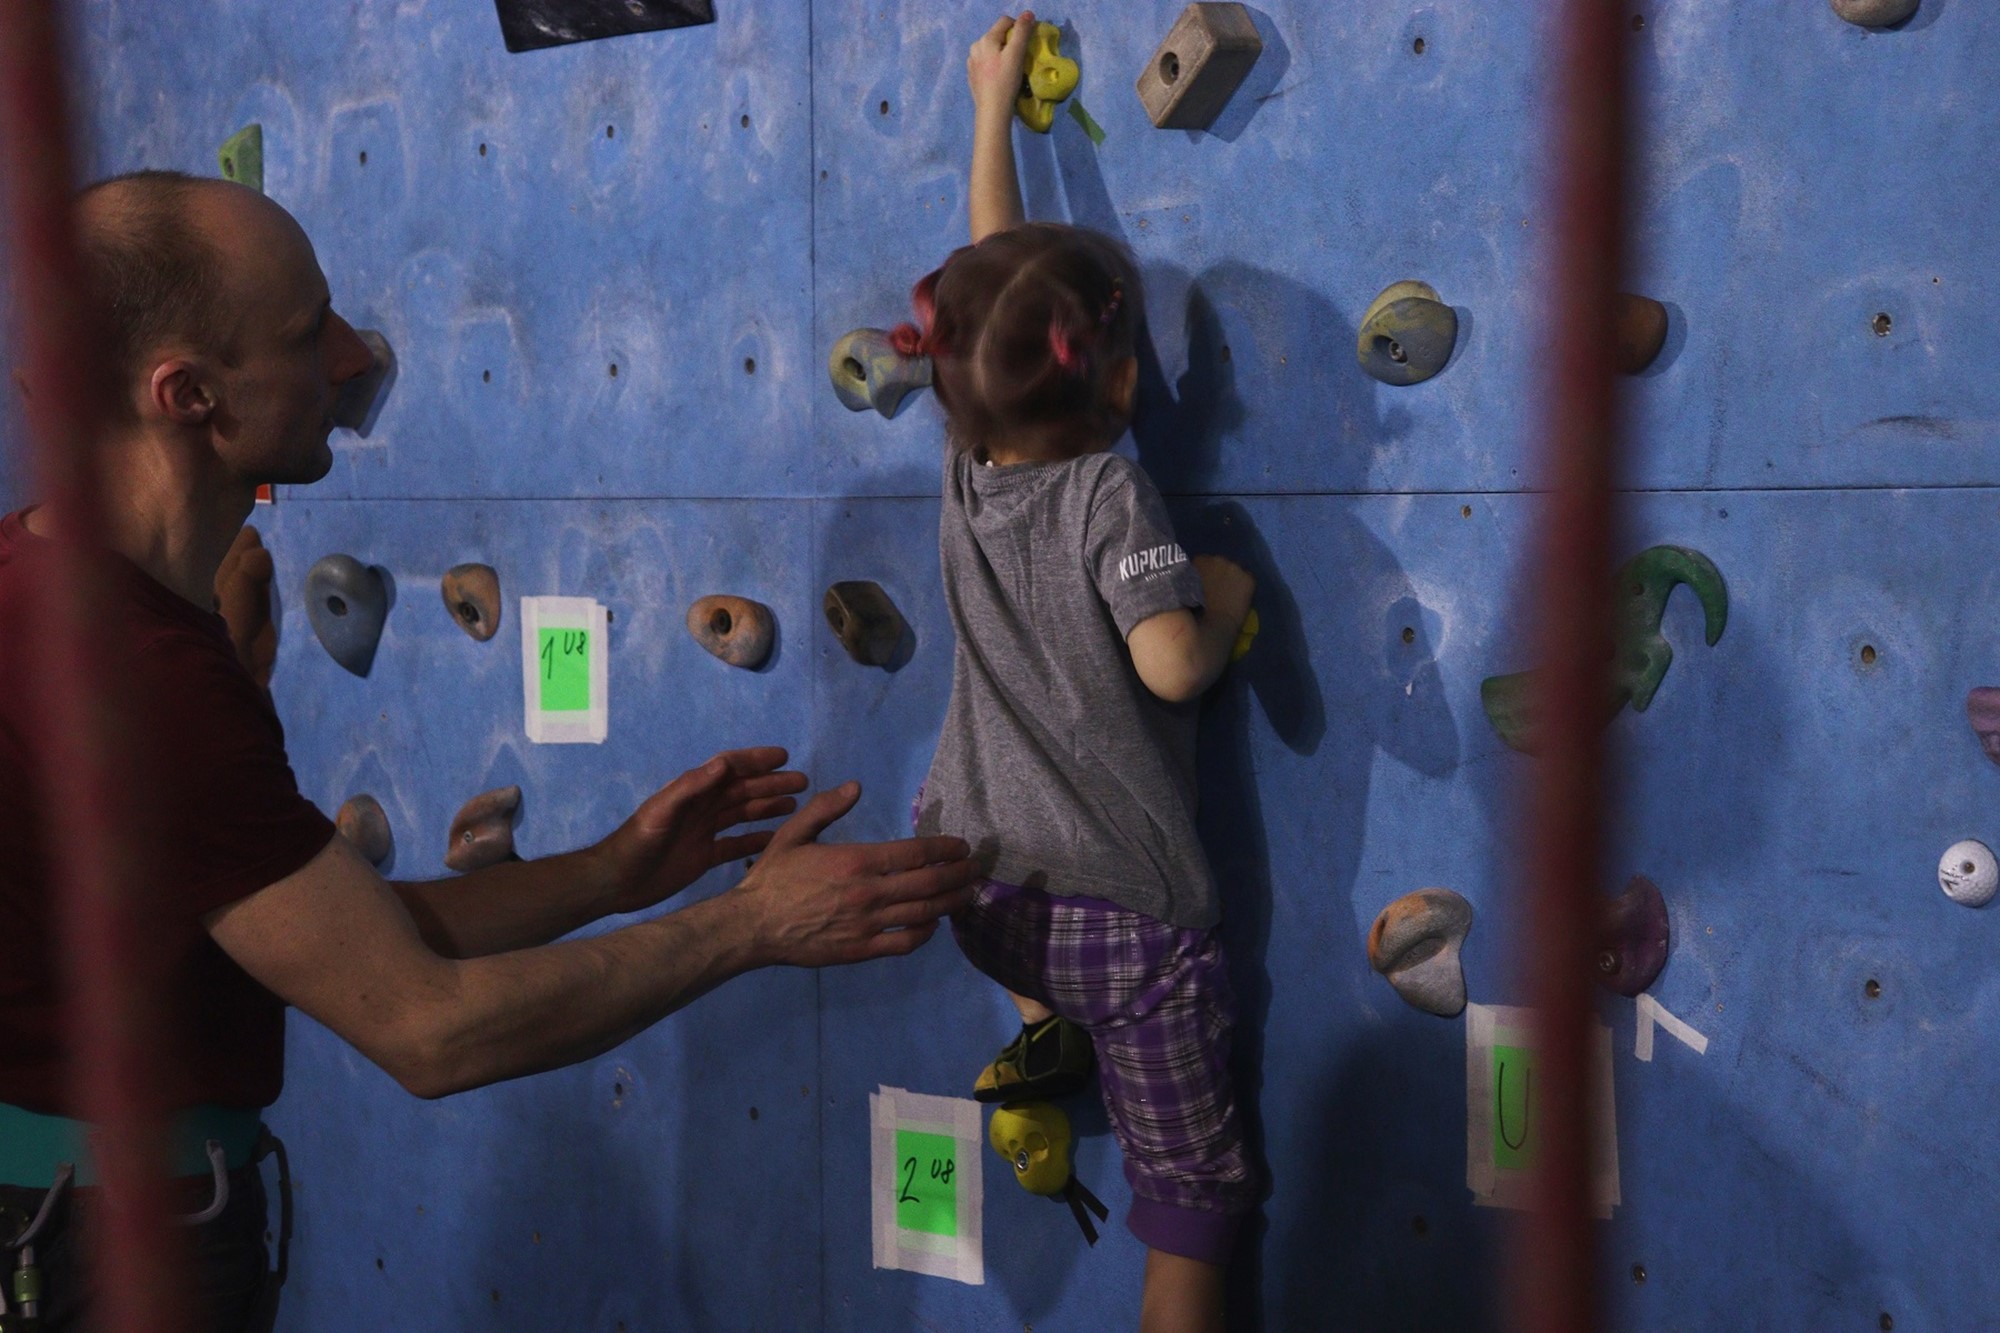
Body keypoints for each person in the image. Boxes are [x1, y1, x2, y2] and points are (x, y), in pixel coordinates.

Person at [0, 170, 975, 1330]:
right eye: (308, 332)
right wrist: (752, 925)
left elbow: (342, 939)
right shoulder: (138, 677)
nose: (354, 357)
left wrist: (613, 871)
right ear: (189, 393)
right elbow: (428, 1026)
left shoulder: (57, 594)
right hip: (111, 1252)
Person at [902, 16, 1260, 1333]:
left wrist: (989, 110)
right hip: (1127, 920)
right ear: (1116, 386)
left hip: (982, 885)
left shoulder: (964, 468)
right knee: (1192, 1196)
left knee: (1047, 965)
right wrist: (1222, 597)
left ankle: (1042, 1029)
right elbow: (1170, 668)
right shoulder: (1112, 495)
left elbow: (992, 287)